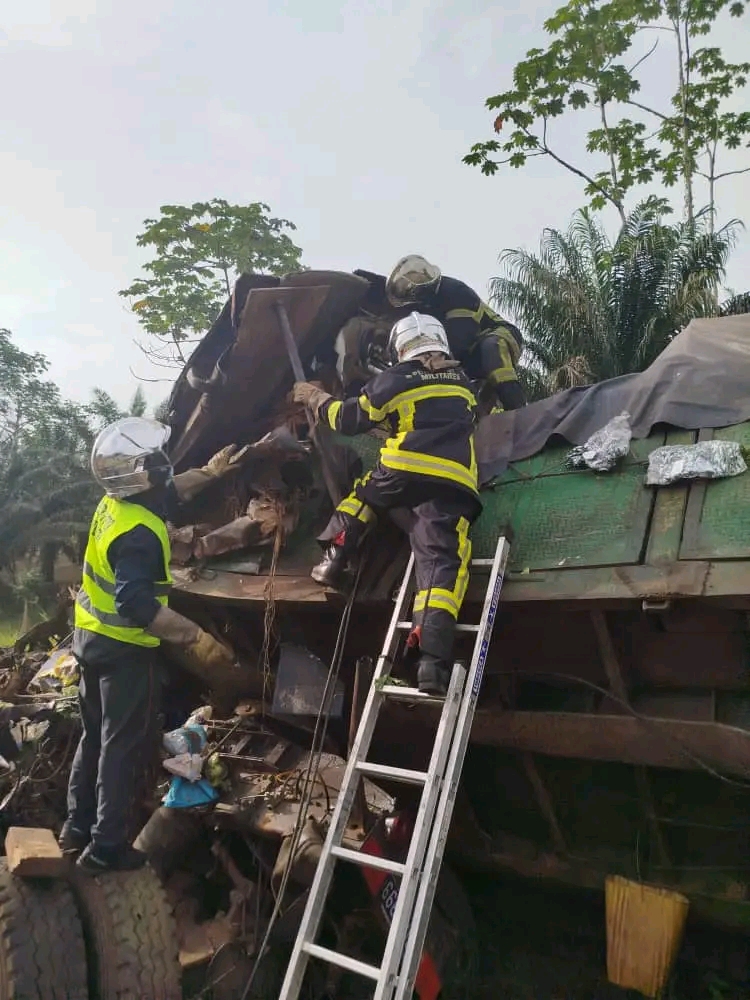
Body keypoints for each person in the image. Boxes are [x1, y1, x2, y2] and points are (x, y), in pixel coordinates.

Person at [60, 417, 245, 874]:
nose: (165, 465)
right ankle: (106, 847)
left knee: (94, 738)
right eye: (156, 460)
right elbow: (135, 603)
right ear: (140, 472)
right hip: (123, 651)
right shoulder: (141, 532)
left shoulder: (114, 504)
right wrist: (195, 638)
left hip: (88, 639)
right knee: (122, 746)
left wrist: (212, 472)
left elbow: (168, 491)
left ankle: (75, 830)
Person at [293, 312, 482, 697]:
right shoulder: (463, 382)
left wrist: (316, 397)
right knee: (441, 562)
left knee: (365, 496)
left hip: (403, 469)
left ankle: (333, 561)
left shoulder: (396, 378)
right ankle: (431, 662)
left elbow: (348, 419)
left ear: (400, 347)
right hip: (452, 481)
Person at [354, 256, 526, 412]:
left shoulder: (457, 294)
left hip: (496, 336)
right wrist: (366, 283)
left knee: (492, 349)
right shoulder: (422, 297)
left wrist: (420, 369)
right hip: (465, 353)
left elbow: (460, 342)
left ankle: (518, 410)